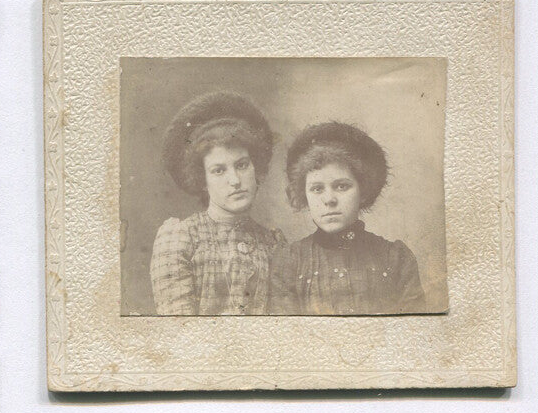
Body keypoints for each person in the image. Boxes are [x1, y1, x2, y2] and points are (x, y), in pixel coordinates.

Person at [268, 121, 426, 315]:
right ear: (304, 196)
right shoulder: (289, 263)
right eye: (317, 189)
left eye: (342, 186)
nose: (329, 200)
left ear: (364, 191)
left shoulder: (396, 259)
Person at [150, 92, 284, 315]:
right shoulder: (181, 238)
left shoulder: (274, 245)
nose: (235, 181)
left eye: (241, 165)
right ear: (202, 180)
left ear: (255, 168)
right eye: (219, 171)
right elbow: (178, 332)